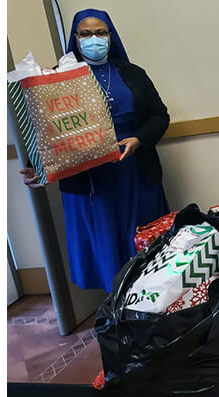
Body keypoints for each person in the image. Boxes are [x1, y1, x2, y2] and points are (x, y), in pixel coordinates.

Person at [20, 9, 170, 294]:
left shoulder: (133, 74)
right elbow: (46, 127)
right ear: (75, 39)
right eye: (86, 34)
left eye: (101, 32)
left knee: (146, 242)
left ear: (111, 37)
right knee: (105, 246)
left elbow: (159, 116)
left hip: (135, 172)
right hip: (90, 180)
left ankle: (154, 303)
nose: (94, 39)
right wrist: (38, 166)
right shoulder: (56, 79)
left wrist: (138, 139)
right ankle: (118, 307)